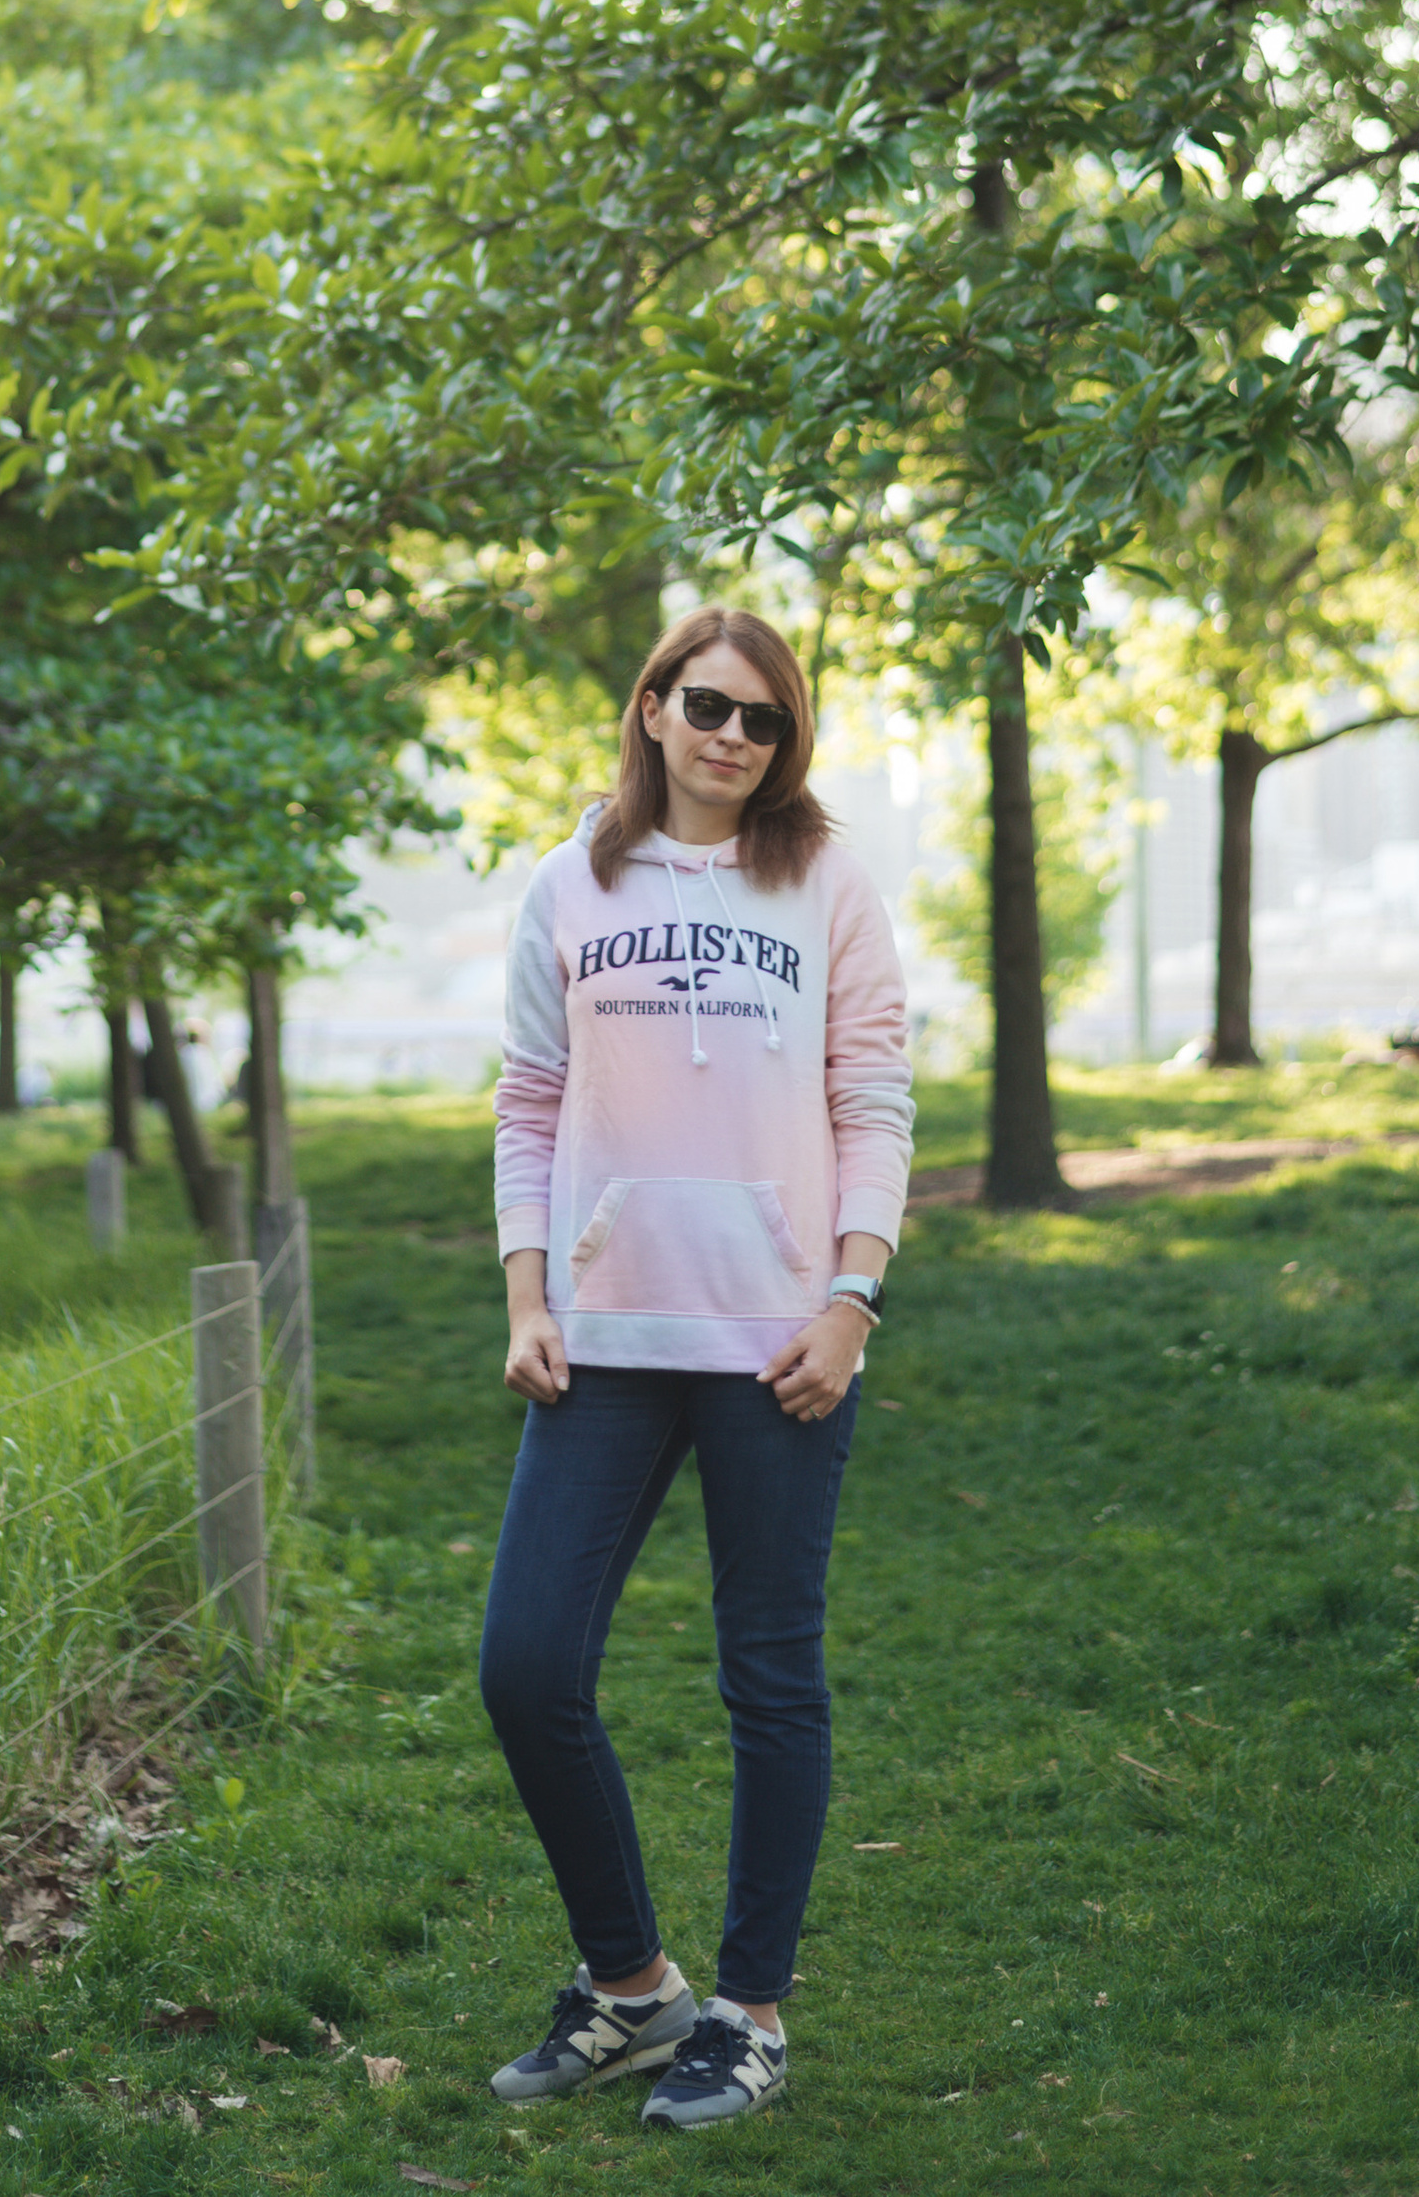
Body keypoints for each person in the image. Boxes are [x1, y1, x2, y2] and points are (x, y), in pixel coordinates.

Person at [479, 605, 913, 2132]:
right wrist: (530, 1294)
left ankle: (751, 2010)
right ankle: (633, 1986)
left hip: (779, 1343)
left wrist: (853, 1299)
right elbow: (530, 1102)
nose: (736, 738)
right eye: (711, 707)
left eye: (769, 722)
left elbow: (874, 1097)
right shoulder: (570, 880)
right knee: (525, 1667)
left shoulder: (827, 881)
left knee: (769, 1674)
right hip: (605, 1336)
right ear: (652, 704)